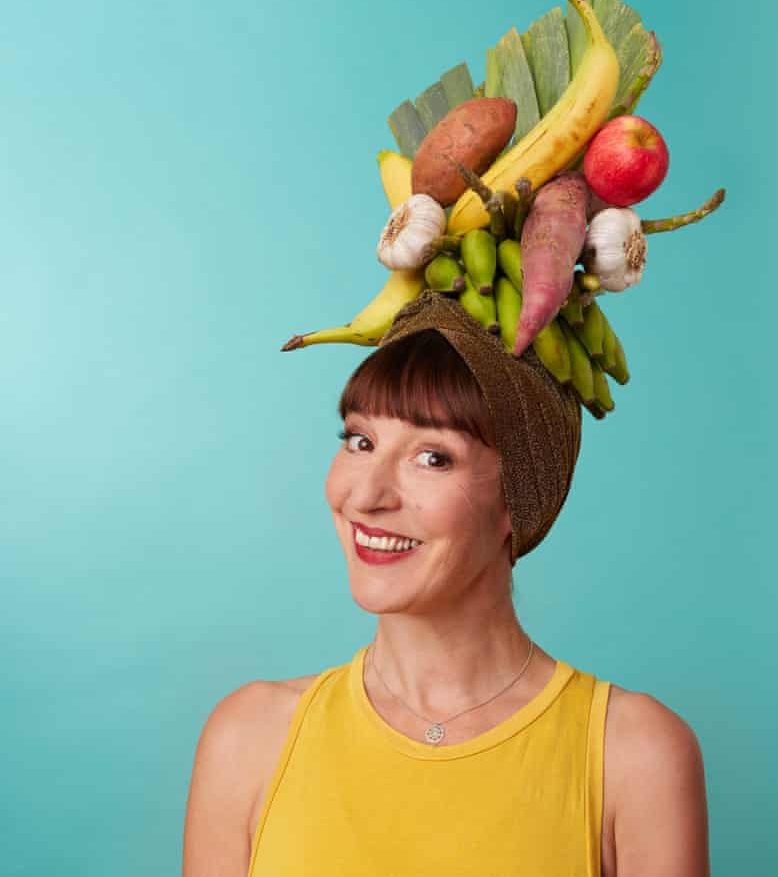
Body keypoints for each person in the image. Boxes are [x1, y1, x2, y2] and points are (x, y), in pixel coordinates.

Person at [182, 292, 710, 876]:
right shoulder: (249, 738)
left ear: (517, 500)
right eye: (361, 441)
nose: (366, 496)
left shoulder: (634, 756)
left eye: (433, 457)